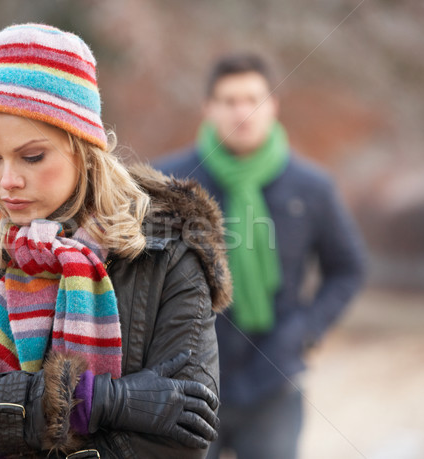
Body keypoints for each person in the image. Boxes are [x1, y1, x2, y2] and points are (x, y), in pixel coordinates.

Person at [0, 24, 233, 459]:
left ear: (84, 148)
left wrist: (8, 417)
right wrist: (106, 400)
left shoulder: (170, 254)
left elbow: (184, 433)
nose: (7, 182)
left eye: (32, 156)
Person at [155, 53, 365, 459]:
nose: (242, 110)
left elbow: (349, 269)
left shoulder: (312, 186)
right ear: (208, 108)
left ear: (273, 106)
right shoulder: (171, 181)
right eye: (229, 100)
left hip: (275, 380)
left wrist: (306, 329)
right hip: (187, 382)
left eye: (253, 98)